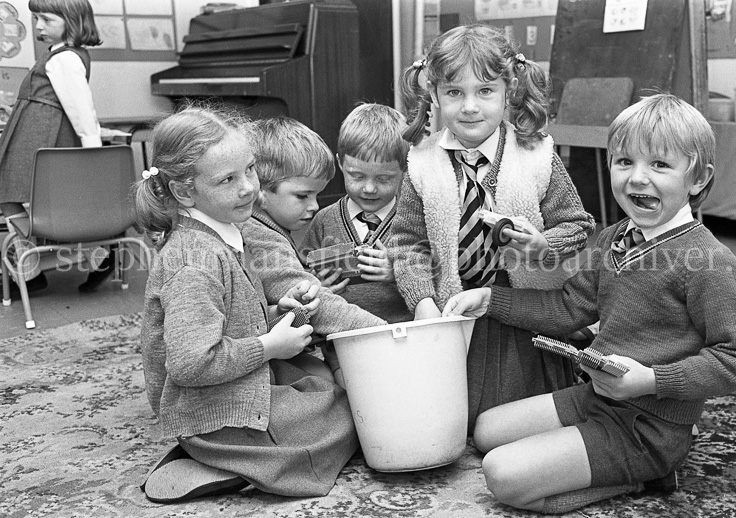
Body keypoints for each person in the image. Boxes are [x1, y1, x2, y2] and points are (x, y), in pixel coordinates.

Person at [441, 94, 736, 514]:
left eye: (660, 165)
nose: (637, 178)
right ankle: (595, 454)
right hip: (597, 397)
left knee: (502, 475)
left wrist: (651, 380)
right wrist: (491, 300)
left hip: (648, 426)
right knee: (486, 432)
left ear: (699, 179)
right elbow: (567, 309)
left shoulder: (710, 263)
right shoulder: (613, 239)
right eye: (624, 162)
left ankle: (646, 473)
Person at [134, 107, 362, 504]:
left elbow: (232, 320)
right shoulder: (193, 261)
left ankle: (233, 456)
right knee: (350, 418)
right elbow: (190, 364)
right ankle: (231, 463)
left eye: (250, 170)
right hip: (207, 408)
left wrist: (285, 314)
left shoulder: (223, 232)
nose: (248, 188)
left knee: (325, 389)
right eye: (228, 179)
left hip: (230, 384)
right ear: (185, 192)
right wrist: (271, 347)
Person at [391, 23, 595, 431]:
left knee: (507, 421)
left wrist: (541, 244)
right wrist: (421, 301)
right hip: (455, 311)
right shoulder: (422, 163)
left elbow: (577, 225)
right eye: (454, 93)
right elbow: (407, 244)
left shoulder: (536, 155)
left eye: (484, 91)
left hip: (523, 314)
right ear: (433, 95)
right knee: (453, 423)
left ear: (508, 90)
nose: (469, 106)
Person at [240, 115, 387, 384]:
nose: (314, 206)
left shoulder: (261, 226)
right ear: (260, 189)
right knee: (331, 388)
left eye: (316, 195)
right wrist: (385, 332)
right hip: (240, 362)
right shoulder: (258, 235)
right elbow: (322, 306)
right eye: (302, 196)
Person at [0, 0, 105, 296]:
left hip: (42, 138)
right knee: (12, 196)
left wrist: (94, 154)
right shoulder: (58, 55)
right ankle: (34, 268)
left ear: (71, 20)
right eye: (35, 19)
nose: (38, 27)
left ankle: (39, 268)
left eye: (46, 19)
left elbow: (82, 110)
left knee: (16, 197)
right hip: (33, 135)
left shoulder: (65, 59)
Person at [301, 103, 413, 323]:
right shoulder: (324, 221)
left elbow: (435, 280)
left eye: (384, 179)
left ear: (405, 171)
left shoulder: (413, 221)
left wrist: (397, 274)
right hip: (340, 347)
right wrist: (317, 287)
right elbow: (301, 275)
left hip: (401, 343)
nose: (369, 188)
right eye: (357, 176)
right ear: (341, 164)